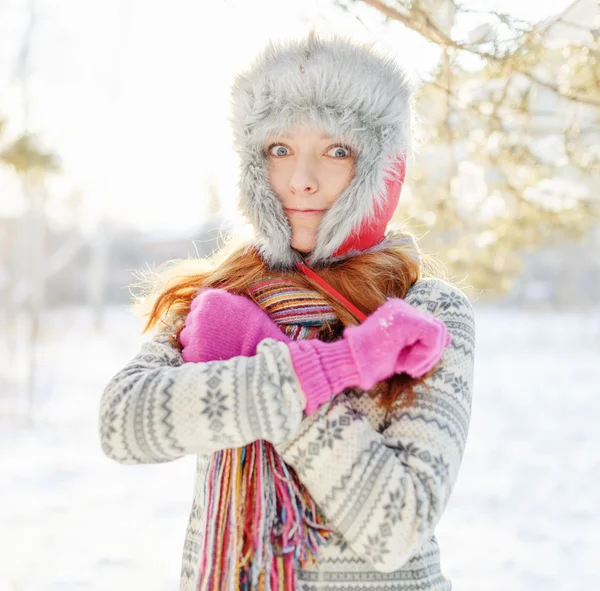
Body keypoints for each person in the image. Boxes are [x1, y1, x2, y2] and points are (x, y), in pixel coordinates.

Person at [99, 32, 476, 591]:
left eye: (337, 149)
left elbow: (397, 526)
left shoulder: (424, 313)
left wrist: (267, 365)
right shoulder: (222, 297)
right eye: (280, 150)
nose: (302, 178)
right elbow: (124, 424)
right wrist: (317, 371)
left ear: (382, 171)